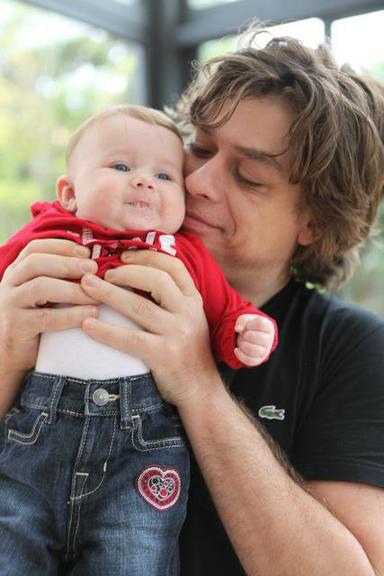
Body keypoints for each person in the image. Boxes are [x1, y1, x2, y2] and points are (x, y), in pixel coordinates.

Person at [1, 24, 384, 576]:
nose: (198, 181)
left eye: (249, 177)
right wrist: (8, 351)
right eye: (198, 148)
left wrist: (200, 386)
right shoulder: (52, 269)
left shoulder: (348, 348)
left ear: (315, 221)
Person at [0, 104, 277, 575]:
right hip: (36, 432)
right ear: (69, 193)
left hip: (140, 444)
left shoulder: (182, 253)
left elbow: (225, 309)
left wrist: (246, 331)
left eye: (165, 176)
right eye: (122, 167)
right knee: (11, 543)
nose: (145, 181)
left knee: (133, 555)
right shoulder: (46, 234)